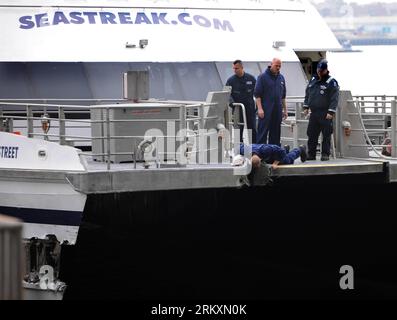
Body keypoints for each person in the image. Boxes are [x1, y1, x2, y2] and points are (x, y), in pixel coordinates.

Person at [303, 59, 339, 161]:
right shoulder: (313, 79)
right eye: (318, 71)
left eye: (321, 71)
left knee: (326, 134)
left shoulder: (331, 82)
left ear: (325, 70)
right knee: (311, 134)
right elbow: (308, 93)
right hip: (314, 113)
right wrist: (306, 106)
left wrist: (331, 112)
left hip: (325, 113)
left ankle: (325, 154)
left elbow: (334, 98)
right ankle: (311, 154)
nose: (319, 73)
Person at [254, 58, 288, 146]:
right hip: (266, 109)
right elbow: (257, 95)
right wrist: (260, 109)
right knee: (262, 133)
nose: (278, 68)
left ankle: (273, 156)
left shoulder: (281, 78)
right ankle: (261, 155)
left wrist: (285, 110)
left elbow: (283, 96)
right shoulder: (262, 77)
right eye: (276, 65)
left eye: (279, 66)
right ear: (271, 64)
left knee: (276, 133)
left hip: (277, 110)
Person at [226, 60, 257, 143]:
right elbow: (227, 94)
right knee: (238, 129)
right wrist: (233, 104)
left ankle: (253, 148)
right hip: (237, 108)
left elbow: (257, 93)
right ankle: (238, 149)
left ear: (242, 68)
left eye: (237, 68)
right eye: (234, 68)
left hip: (250, 108)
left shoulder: (251, 78)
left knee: (252, 128)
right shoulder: (231, 80)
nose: (235, 70)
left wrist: (257, 106)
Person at [239, 143, 307, 169]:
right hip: (268, 155)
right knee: (269, 161)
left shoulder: (265, 150)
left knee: (287, 160)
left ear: (260, 160)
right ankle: (286, 148)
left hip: (276, 152)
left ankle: (300, 149)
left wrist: (275, 163)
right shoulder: (244, 151)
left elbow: (281, 152)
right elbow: (239, 146)